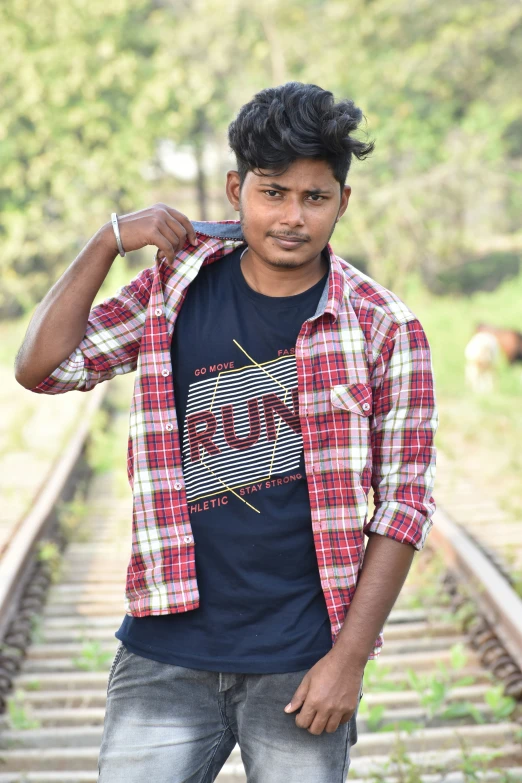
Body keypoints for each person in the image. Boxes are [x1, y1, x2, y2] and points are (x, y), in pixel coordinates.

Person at [15, 81, 438, 783]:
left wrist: (348, 661)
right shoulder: (174, 291)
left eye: (315, 196)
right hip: (165, 652)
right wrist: (109, 238)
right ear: (236, 188)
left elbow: (404, 506)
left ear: (343, 200)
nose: (293, 217)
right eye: (273, 193)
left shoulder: (384, 327)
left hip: (303, 660)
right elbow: (44, 366)